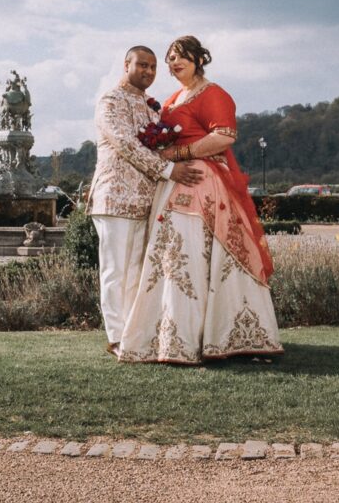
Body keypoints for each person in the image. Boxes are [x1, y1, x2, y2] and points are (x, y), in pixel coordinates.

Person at [117, 35, 283, 364]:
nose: (174, 63)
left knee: (199, 256)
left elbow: (224, 136)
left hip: (203, 182)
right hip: (175, 182)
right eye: (171, 59)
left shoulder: (214, 93)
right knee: (173, 259)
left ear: (199, 60)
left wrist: (180, 153)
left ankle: (222, 338)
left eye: (182, 57)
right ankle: (171, 340)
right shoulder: (172, 99)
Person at [89, 46, 205, 356]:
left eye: (153, 67)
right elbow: (125, 144)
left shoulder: (152, 107)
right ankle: (115, 337)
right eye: (142, 65)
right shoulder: (111, 101)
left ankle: (133, 334)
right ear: (126, 64)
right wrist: (169, 170)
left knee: (136, 273)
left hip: (146, 202)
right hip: (114, 198)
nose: (148, 72)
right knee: (114, 271)